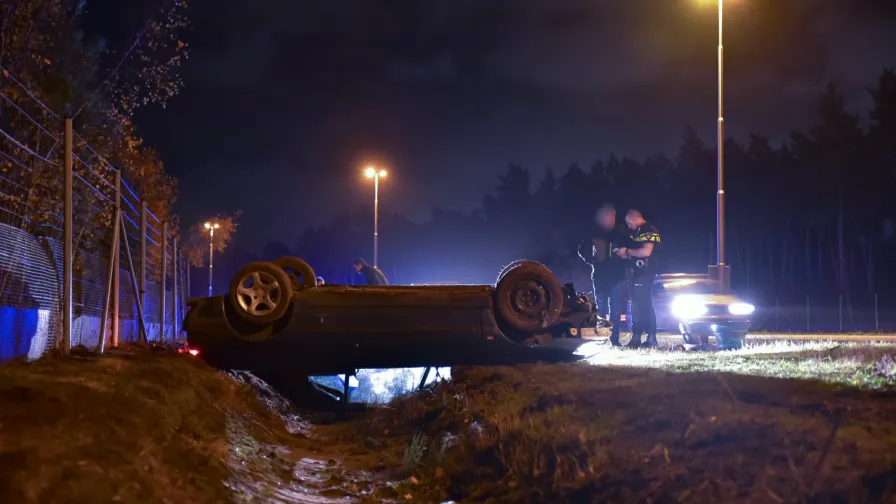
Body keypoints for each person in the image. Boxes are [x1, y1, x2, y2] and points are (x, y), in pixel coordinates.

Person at [577, 203, 629, 346]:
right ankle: (600, 339)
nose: (607, 219)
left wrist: (626, 260)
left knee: (616, 310)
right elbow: (582, 249)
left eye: (610, 216)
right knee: (600, 309)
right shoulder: (593, 233)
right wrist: (591, 260)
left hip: (617, 276)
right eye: (604, 217)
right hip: (600, 276)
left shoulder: (621, 232)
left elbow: (630, 248)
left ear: (613, 217)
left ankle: (614, 339)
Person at [616, 209, 661, 349]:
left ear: (635, 220)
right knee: (637, 306)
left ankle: (650, 337)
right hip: (637, 273)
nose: (629, 226)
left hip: (645, 274)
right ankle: (638, 336)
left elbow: (646, 251)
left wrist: (628, 252)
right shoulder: (638, 232)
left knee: (644, 306)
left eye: (630, 223)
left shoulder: (649, 231)